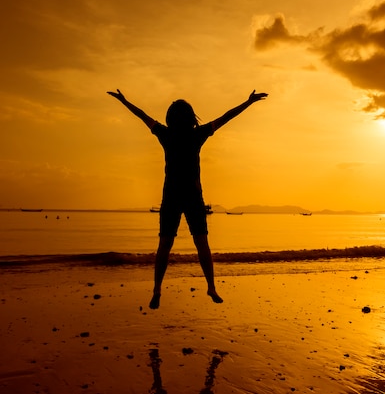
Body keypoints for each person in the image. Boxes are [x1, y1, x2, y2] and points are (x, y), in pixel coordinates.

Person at [107, 89, 268, 309]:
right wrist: (248, 102)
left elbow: (142, 115)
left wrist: (125, 101)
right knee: (200, 243)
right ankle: (210, 287)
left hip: (172, 196)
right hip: (192, 196)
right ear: (191, 117)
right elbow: (226, 117)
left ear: (170, 118)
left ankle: (157, 290)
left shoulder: (166, 134)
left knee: (166, 244)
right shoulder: (195, 134)